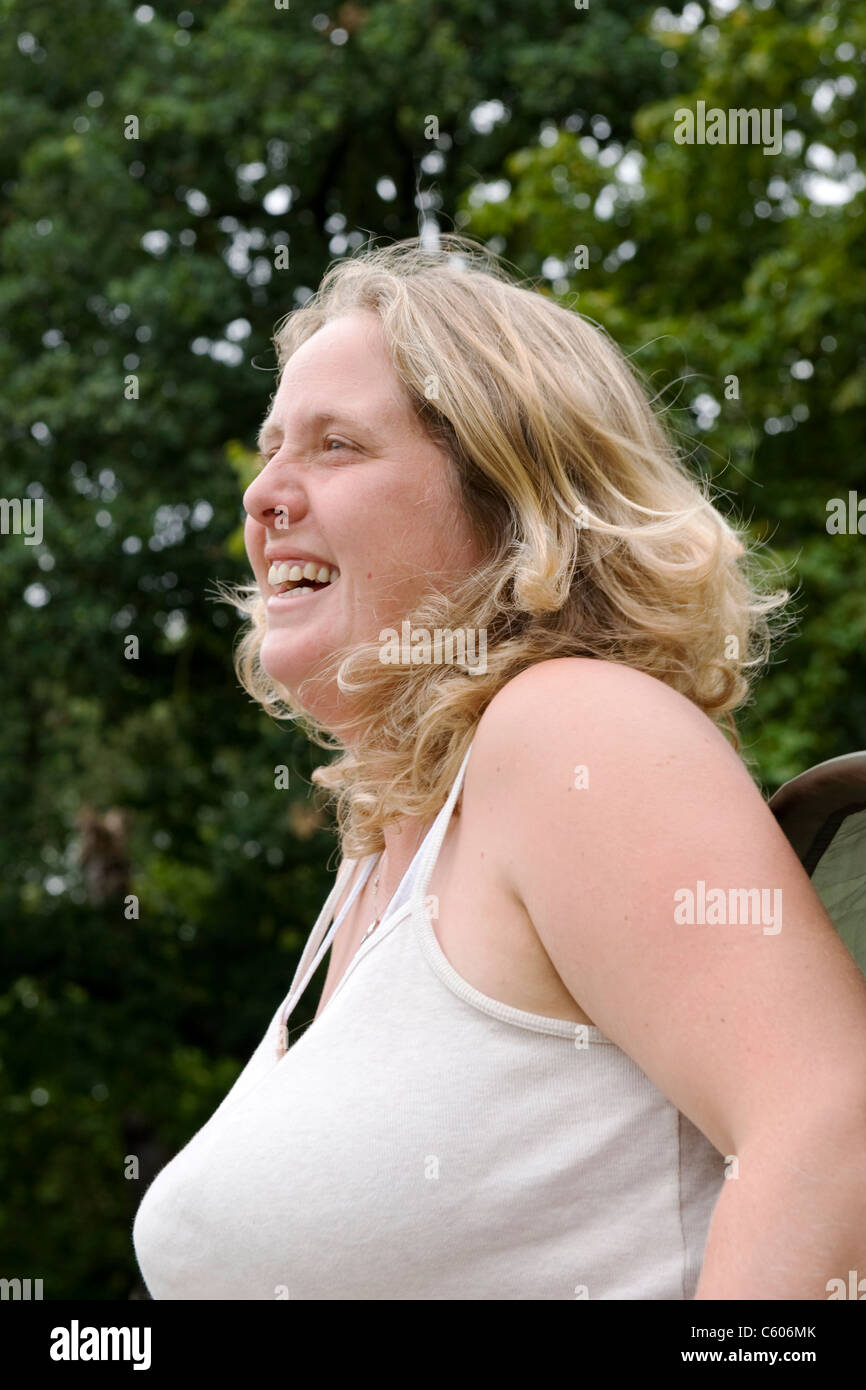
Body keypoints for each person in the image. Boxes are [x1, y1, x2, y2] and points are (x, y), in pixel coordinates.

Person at [132, 234, 866, 1300]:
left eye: (335, 445)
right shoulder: (377, 872)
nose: (264, 494)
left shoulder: (570, 727)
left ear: (514, 504)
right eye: (268, 445)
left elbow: (830, 1128)